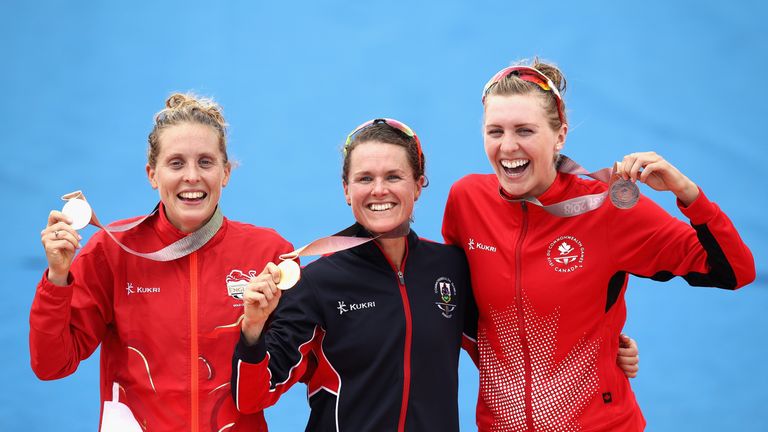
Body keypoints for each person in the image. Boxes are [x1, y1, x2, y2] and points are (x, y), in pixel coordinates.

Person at [231, 118, 641, 431]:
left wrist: (602, 346)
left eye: (394, 177)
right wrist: (252, 328)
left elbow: (510, 350)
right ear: (345, 190)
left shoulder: (451, 269)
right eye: (364, 179)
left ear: (419, 185)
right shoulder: (317, 281)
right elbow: (253, 395)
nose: (379, 190)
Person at [441, 59, 756, 431]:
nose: (508, 147)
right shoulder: (467, 201)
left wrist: (687, 194)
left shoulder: (608, 206)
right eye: (495, 131)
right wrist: (593, 348)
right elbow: (459, 312)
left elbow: (734, 270)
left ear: (560, 136)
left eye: (525, 131)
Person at [30, 93, 292, 431]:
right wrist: (57, 276)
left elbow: (275, 382)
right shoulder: (111, 253)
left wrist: (253, 334)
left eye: (206, 162)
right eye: (176, 163)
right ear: (152, 174)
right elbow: (52, 364)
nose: (192, 176)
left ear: (226, 173)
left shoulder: (268, 254)